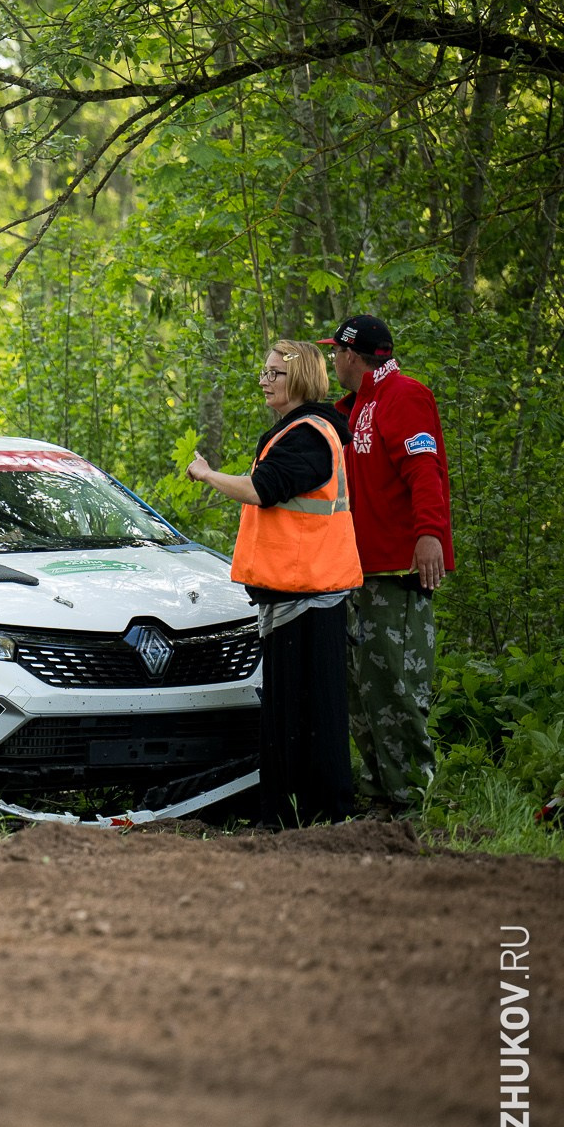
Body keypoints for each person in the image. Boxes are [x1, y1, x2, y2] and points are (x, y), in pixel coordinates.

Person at [187, 341, 361, 827]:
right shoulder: (299, 431)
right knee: (294, 711)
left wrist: (206, 474)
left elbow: (262, 489)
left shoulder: (308, 436)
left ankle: (309, 816)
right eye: (264, 372)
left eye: (274, 374)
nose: (264, 380)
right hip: (296, 592)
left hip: (308, 594)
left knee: (304, 713)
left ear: (301, 379)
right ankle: (297, 814)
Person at [323, 314, 454, 813]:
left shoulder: (403, 395)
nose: (333, 360)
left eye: (335, 352)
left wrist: (428, 536)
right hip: (358, 571)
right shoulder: (358, 405)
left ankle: (412, 801)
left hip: (397, 571)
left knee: (397, 686)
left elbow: (426, 469)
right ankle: (378, 793)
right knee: (363, 690)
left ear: (351, 355)